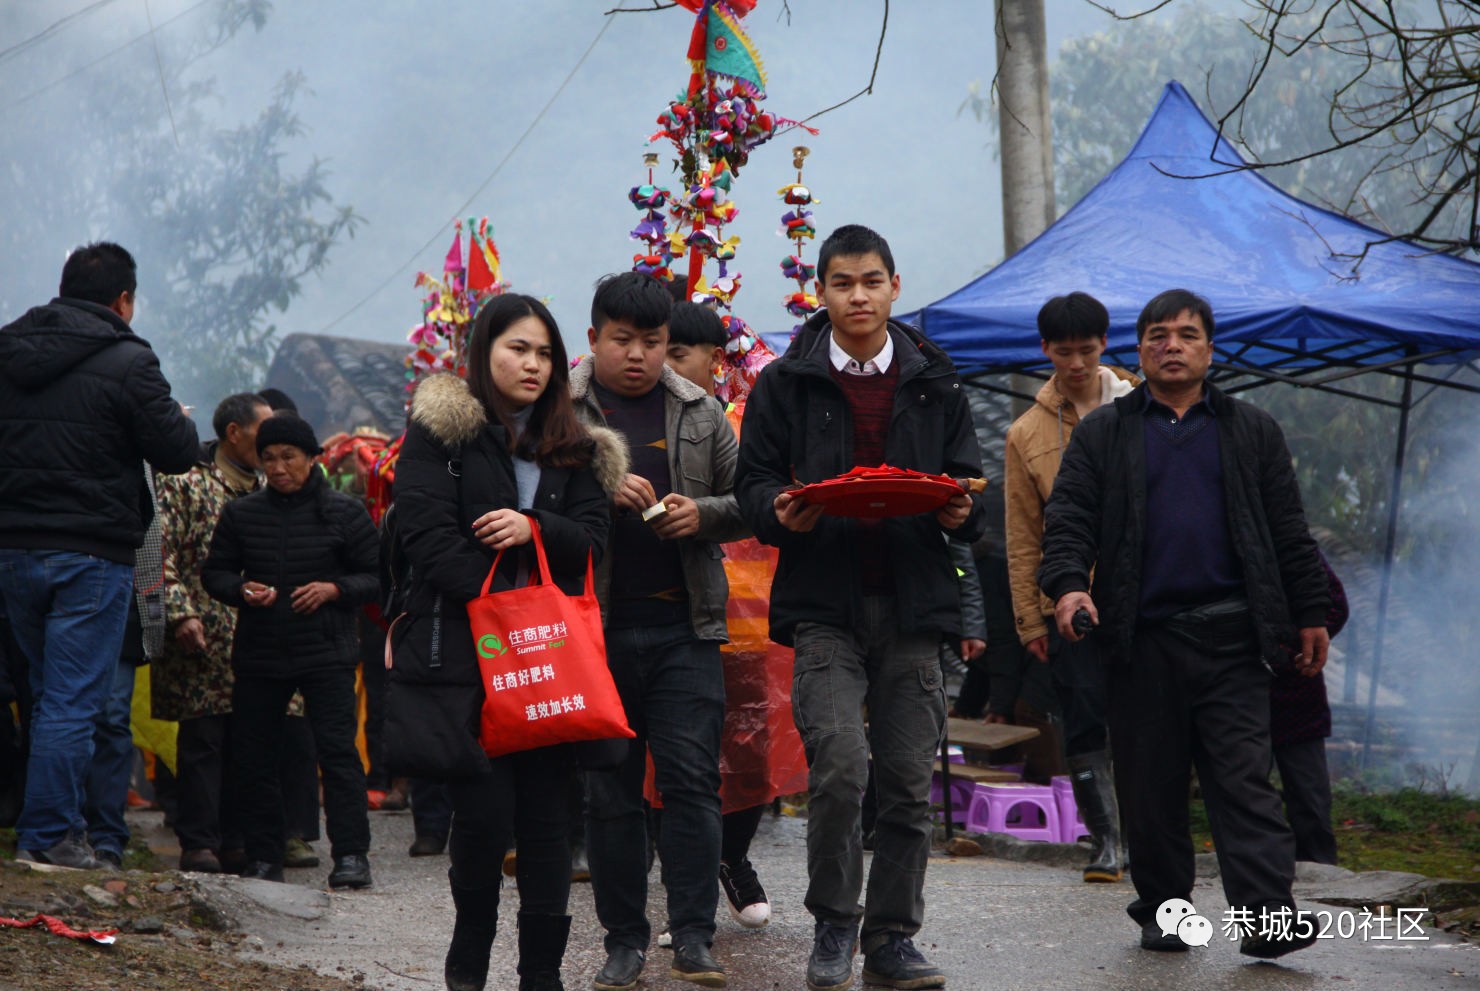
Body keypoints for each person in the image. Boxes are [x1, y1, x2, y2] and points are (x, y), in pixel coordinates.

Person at [1038, 288, 1331, 959]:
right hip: (1142, 642)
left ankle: (1267, 918)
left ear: (1209, 347)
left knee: (1245, 783)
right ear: (1138, 349)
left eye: (1187, 334)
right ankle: (1166, 914)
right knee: (1152, 790)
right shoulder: (1105, 432)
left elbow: (1289, 532)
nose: (1172, 344)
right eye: (1159, 334)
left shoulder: (1251, 428)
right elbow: (1069, 520)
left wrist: (1309, 613)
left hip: (1234, 640)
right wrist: (1065, 589)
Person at [736, 224, 985, 991]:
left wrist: (957, 513)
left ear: (894, 287)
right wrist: (781, 512)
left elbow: (969, 489)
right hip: (825, 608)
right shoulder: (787, 382)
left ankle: (892, 937)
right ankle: (835, 923)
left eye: (871, 281)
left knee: (908, 782)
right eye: (842, 283)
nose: (858, 296)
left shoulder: (935, 379)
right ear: (823, 292)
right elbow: (754, 489)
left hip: (916, 610)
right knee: (841, 769)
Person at [388, 294, 619, 991]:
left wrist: (535, 529)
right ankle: (468, 969)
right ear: (486, 347)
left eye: (546, 353)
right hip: (471, 656)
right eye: (519, 347)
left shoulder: (579, 444)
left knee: (550, 823)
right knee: (483, 821)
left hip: (551, 660)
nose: (533, 364)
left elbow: (596, 542)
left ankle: (540, 975)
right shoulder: (442, 433)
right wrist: (498, 609)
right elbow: (424, 536)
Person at [571, 273, 748, 990]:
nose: (640, 355)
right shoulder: (562, 410)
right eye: (624, 340)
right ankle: (623, 939)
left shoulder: (703, 412)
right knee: (610, 791)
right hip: (595, 632)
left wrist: (701, 515)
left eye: (654, 342)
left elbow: (750, 501)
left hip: (686, 628)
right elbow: (526, 495)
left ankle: (696, 936)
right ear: (594, 340)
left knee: (691, 785)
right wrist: (596, 489)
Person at [0, 241, 199, 869]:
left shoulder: (8, 349)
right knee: (71, 700)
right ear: (123, 301)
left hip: (12, 551)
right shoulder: (127, 360)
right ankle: (51, 837)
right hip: (90, 554)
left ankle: (45, 826)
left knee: (41, 691)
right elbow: (175, 450)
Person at [201, 414, 379, 889]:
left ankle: (351, 856)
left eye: (289, 457)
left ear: (311, 458)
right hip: (261, 652)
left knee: (338, 753)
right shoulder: (243, 513)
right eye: (269, 458)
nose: (278, 468)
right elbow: (214, 573)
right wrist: (242, 590)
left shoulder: (344, 512)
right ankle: (264, 856)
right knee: (255, 756)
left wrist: (333, 590)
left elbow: (377, 577)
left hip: (327, 651)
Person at [1003, 291, 1136, 882]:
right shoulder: (1027, 432)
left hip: (1145, 590)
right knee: (1082, 715)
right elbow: (1023, 532)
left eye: (1086, 350)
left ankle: (1146, 832)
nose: (1076, 363)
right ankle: (1105, 840)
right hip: (1066, 597)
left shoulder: (1144, 405)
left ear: (1105, 344)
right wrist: (1030, 618)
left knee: (1147, 714)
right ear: (1045, 350)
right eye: (1064, 352)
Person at [152, 393, 273, 873]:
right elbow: (159, 551)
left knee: (250, 741)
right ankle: (198, 841)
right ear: (234, 434)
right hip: (202, 634)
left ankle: (238, 839)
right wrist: (181, 614)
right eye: (263, 431)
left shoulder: (269, 488)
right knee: (202, 740)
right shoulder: (186, 483)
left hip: (258, 639)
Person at [83, 468, 167, 869]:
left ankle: (107, 837)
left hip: (124, 593)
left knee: (113, 718)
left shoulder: (142, 459)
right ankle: (66, 827)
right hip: (74, 582)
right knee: (64, 713)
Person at [1271, 551, 1348, 866]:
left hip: (1297, 688)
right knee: (1244, 791)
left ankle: (1319, 870)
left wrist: (1291, 646)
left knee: (1309, 796)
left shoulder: (1298, 554)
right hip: (1235, 691)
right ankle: (1261, 866)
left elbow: (1335, 606)